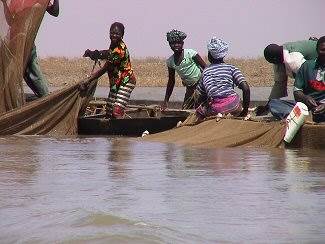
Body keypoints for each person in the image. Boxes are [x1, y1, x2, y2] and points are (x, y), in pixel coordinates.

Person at [0, 0, 60, 97]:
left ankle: (45, 99)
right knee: (24, 71)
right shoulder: (15, 2)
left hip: (23, 39)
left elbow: (54, 12)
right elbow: (10, 21)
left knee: (29, 70)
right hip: (15, 39)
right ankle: (45, 98)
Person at [83, 22, 136, 118]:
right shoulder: (113, 45)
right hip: (116, 82)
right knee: (109, 111)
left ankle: (120, 129)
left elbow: (105, 68)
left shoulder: (120, 50)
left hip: (126, 81)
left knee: (116, 111)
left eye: (117, 34)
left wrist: (89, 80)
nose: (114, 35)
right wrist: (95, 53)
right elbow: (108, 53)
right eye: (112, 33)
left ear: (122, 35)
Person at [267, 36, 325, 122]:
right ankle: (304, 116)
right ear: (317, 50)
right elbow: (297, 90)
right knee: (274, 104)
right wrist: (305, 98)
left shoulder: (293, 59)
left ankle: (297, 117)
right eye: (322, 50)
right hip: (309, 105)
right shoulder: (306, 66)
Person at [257, 38, 318, 116]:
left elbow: (309, 79)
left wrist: (308, 100)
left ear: (276, 60)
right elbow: (279, 85)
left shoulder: (292, 59)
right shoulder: (281, 57)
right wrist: (267, 107)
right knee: (274, 104)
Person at [194, 37, 250, 119]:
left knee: (200, 111)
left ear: (209, 55)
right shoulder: (232, 68)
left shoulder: (205, 72)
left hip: (215, 109)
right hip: (233, 105)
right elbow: (246, 88)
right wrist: (245, 110)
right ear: (223, 55)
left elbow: (199, 95)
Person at [161, 29, 206, 110]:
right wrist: (166, 101)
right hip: (190, 88)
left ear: (182, 43)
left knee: (203, 106)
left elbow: (206, 68)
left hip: (201, 85)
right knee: (185, 109)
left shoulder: (191, 54)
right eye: (173, 43)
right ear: (169, 45)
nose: (176, 45)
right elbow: (171, 81)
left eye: (178, 43)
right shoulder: (170, 62)